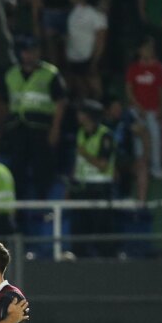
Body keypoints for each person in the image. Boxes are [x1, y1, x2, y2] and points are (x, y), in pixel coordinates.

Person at [3, 36, 66, 202]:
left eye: (33, 51)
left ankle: (42, 200)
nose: (29, 55)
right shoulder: (11, 74)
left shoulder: (50, 73)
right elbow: (3, 102)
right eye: (26, 52)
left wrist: (55, 128)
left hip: (41, 128)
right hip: (17, 127)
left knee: (42, 166)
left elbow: (60, 102)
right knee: (17, 167)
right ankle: (18, 204)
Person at [70, 100, 116, 256]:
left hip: (100, 188)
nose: (78, 116)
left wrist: (85, 154)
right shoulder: (80, 132)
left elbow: (103, 164)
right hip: (83, 187)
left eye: (81, 113)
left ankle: (106, 258)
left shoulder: (105, 135)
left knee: (101, 228)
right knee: (80, 227)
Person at [127, 37, 162, 182]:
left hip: (152, 110)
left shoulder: (157, 68)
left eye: (151, 48)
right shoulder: (134, 68)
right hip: (137, 111)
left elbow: (161, 89)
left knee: (155, 137)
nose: (149, 50)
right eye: (146, 48)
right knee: (138, 140)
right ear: (140, 50)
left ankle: (156, 168)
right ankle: (141, 168)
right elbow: (129, 90)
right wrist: (138, 107)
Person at [65, 0, 108, 103]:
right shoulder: (74, 11)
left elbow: (101, 38)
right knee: (80, 88)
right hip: (73, 56)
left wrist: (95, 60)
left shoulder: (96, 14)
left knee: (94, 89)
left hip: (88, 56)